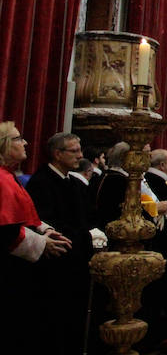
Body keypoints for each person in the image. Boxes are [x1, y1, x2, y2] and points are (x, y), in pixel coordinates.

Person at [1, 123, 74, 353]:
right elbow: (6, 230)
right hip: (10, 271)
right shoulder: (2, 180)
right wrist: (43, 242)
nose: (25, 143)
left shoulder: (9, 177)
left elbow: (26, 217)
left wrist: (44, 230)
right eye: (18, 138)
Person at [25, 132, 94, 354]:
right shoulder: (42, 182)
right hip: (57, 264)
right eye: (74, 151)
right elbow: (46, 221)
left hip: (77, 261)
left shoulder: (73, 182)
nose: (80, 156)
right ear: (57, 154)